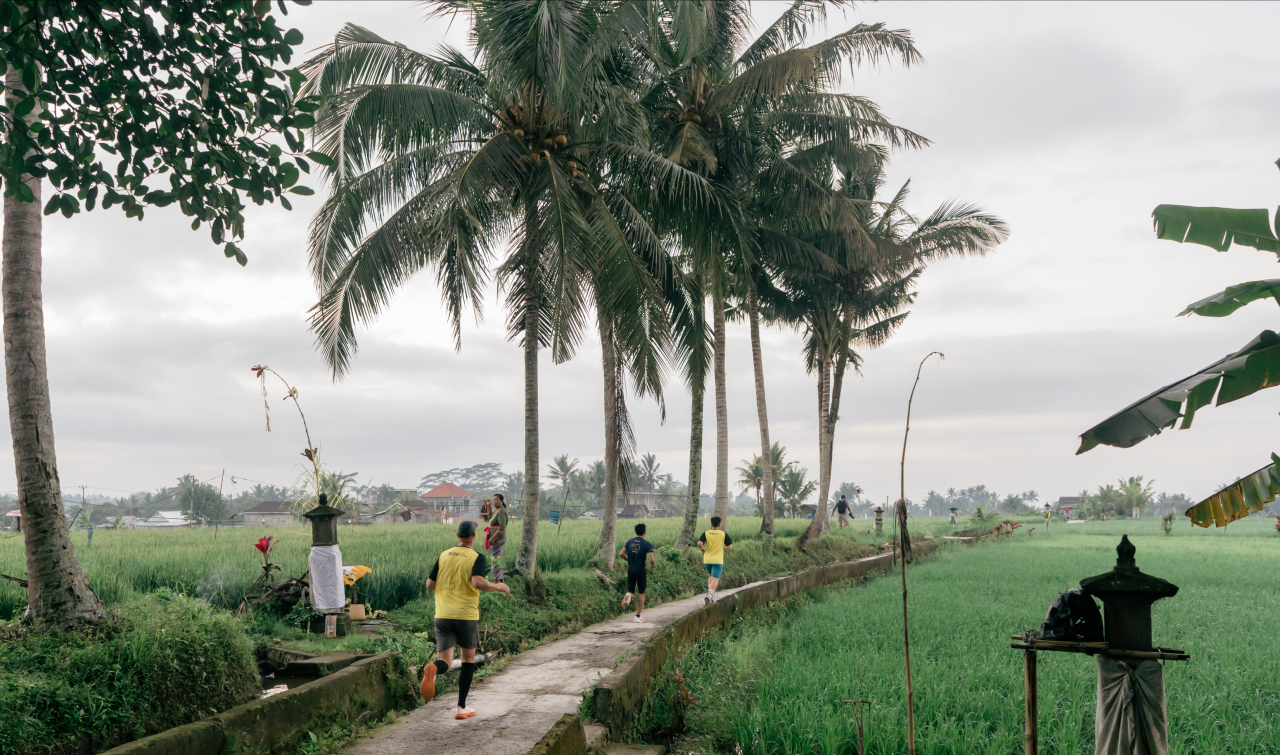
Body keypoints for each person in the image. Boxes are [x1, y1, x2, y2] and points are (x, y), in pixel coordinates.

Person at [421, 520, 510, 720]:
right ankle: (461, 708)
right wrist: (498, 587)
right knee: (468, 660)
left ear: (457, 535)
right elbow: (477, 582)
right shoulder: (477, 557)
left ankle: (434, 668)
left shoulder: (444, 555)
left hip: (442, 615)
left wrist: (449, 587)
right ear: (474, 536)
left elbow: (429, 584)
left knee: (445, 660)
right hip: (466, 616)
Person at [618, 522, 656, 623]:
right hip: (640, 569)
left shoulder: (629, 542)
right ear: (645, 532)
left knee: (631, 591)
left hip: (631, 569)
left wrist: (628, 560)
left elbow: (621, 553)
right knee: (641, 593)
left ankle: (628, 596)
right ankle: (637, 616)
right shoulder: (647, 544)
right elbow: (651, 560)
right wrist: (653, 565)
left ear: (636, 532)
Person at [697, 516, 732, 604]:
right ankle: (710, 595)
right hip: (717, 560)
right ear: (719, 524)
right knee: (715, 579)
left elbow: (699, 543)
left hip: (707, 560)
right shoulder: (723, 534)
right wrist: (723, 545)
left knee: (711, 576)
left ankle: (710, 596)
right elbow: (729, 547)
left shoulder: (706, 533)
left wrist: (703, 550)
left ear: (711, 524)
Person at [485, 494, 508, 583]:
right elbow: (490, 516)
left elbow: (502, 526)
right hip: (497, 539)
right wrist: (488, 505)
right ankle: (501, 581)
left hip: (498, 539)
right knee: (497, 559)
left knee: (495, 561)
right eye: (493, 500)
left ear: (501, 501)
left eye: (496, 500)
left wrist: (493, 538)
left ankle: (497, 582)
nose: (494, 501)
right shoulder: (498, 510)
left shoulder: (501, 511)